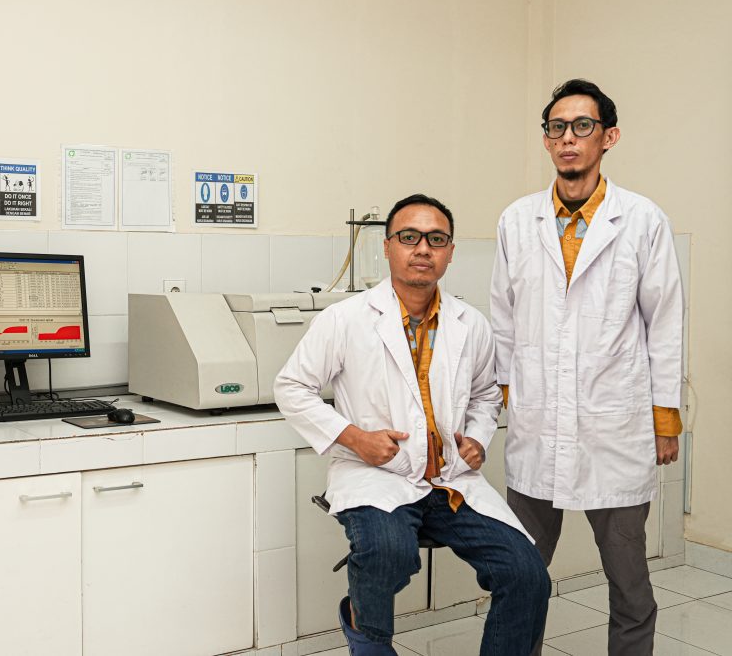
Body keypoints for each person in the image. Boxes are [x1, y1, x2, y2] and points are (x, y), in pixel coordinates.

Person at [275, 194, 550, 656]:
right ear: (387, 247)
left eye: (436, 239)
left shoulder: (470, 323)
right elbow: (291, 387)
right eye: (409, 237)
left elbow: (486, 394)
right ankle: (367, 635)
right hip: (377, 474)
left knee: (527, 573)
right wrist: (356, 439)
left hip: (450, 480)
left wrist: (477, 438)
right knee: (388, 553)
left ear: (450, 252)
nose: (423, 248)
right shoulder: (345, 319)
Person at [491, 79, 684, 655]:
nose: (568, 138)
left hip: (615, 428)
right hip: (537, 427)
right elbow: (503, 319)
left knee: (629, 583)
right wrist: (506, 401)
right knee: (520, 578)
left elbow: (664, 323)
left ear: (609, 137)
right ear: (546, 140)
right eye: (557, 127)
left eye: (582, 126)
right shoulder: (517, 220)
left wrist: (665, 419)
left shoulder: (642, 220)